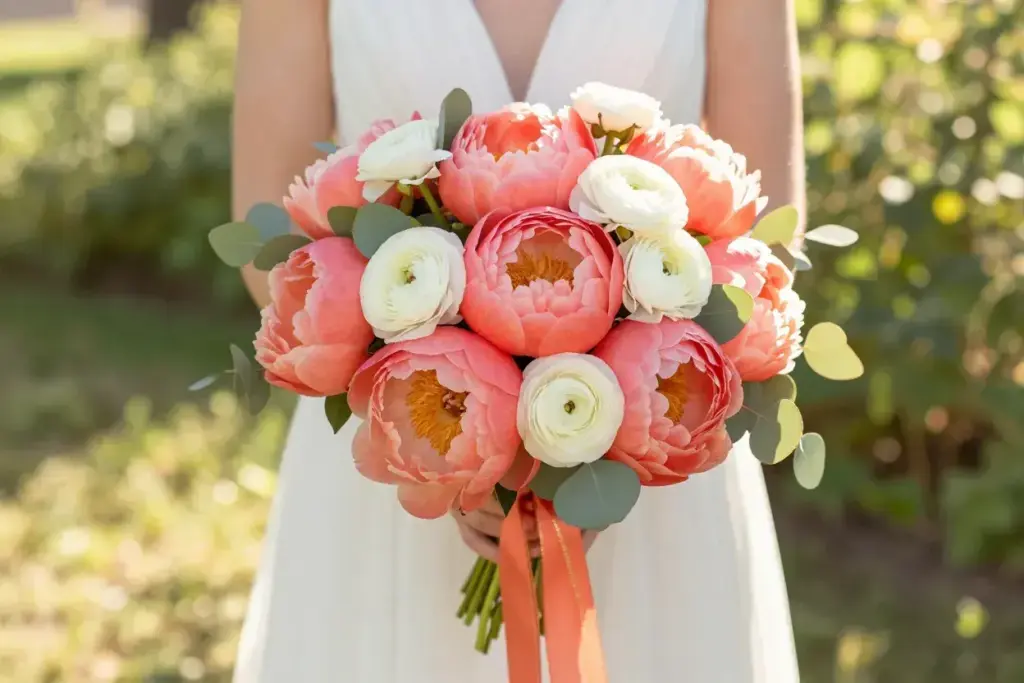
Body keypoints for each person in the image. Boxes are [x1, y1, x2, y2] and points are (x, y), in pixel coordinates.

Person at [230, 0, 806, 681]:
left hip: (657, 446)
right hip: (404, 441)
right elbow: (269, 234)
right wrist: (459, 448)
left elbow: (766, 234)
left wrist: (599, 449)